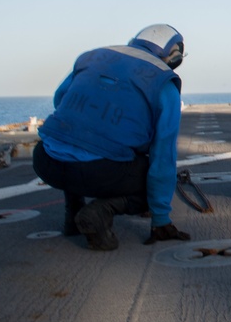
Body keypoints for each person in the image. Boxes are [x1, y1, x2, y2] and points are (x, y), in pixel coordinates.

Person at [33, 24, 191, 251]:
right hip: (98, 173)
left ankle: (73, 217)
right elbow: (162, 156)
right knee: (154, 181)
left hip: (45, 161)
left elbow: (60, 100)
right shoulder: (164, 83)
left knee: (75, 141)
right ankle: (100, 211)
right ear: (174, 57)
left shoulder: (92, 57)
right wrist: (160, 218)